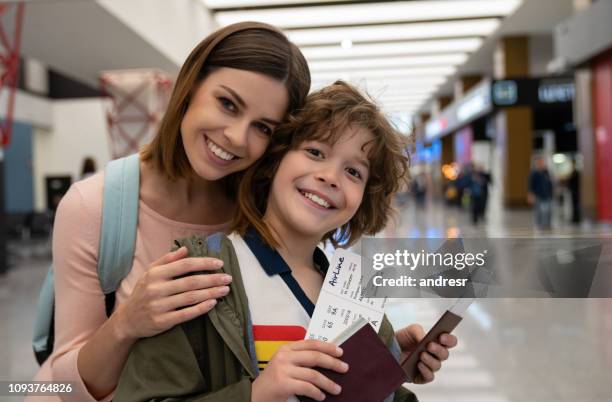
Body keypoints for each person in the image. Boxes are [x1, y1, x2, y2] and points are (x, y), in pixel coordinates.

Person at [114, 81, 457, 402]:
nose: (330, 177)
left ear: (364, 198)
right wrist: (255, 394)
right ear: (275, 160)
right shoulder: (200, 274)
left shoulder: (354, 291)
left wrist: (391, 369)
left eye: (354, 172)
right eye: (315, 152)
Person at [30, 21, 311, 402]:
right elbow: (66, 386)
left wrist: (387, 347)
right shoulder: (92, 206)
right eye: (227, 104)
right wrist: (129, 321)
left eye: (262, 128)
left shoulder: (262, 214)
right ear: (190, 87)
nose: (236, 137)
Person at [528, 155, 554, 229]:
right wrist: (530, 194)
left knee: (548, 211)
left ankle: (547, 225)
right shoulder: (534, 173)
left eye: (542, 162)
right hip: (538, 195)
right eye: (539, 162)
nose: (541, 163)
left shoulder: (546, 172)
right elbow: (530, 184)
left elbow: (550, 183)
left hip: (547, 194)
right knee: (539, 211)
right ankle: (539, 225)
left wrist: (551, 192)